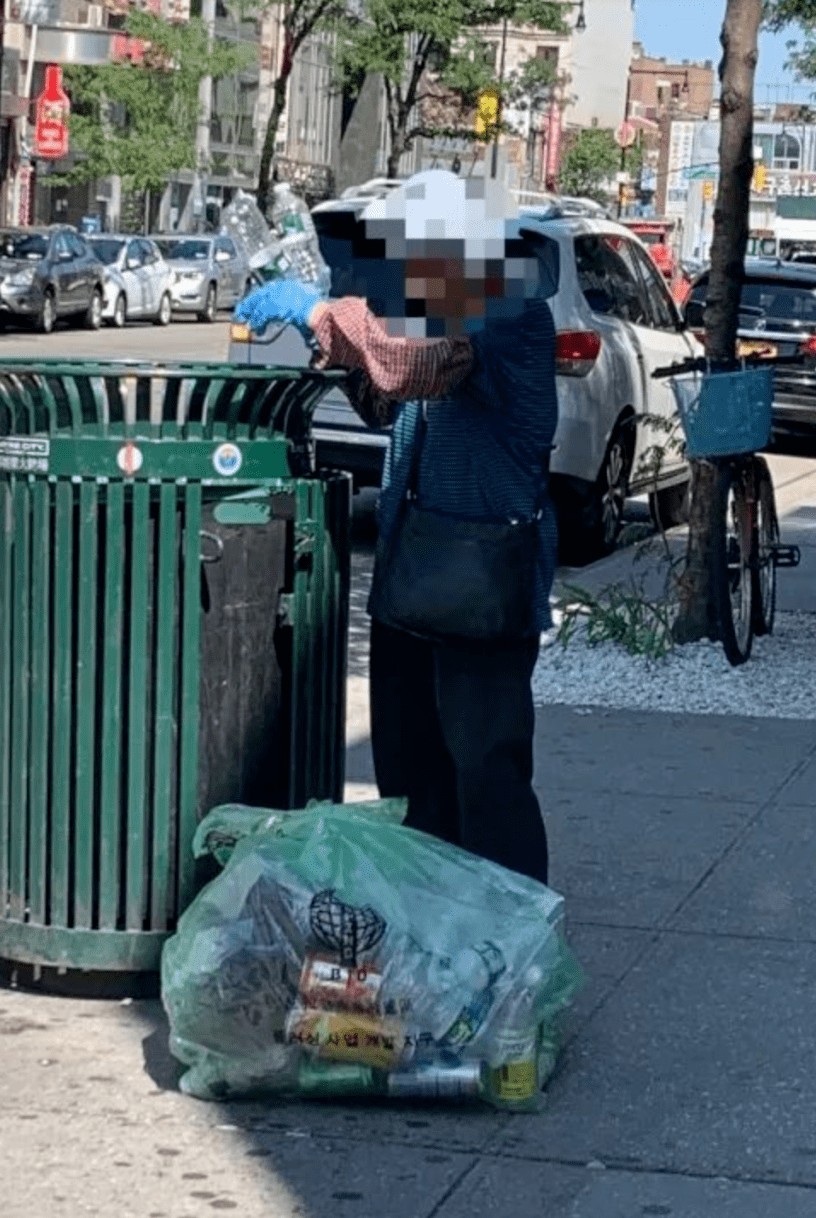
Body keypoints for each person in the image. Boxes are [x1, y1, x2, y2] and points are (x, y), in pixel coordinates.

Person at [235, 173, 558, 885]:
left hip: (482, 587)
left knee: (486, 775)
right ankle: (426, 930)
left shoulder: (503, 308)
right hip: (415, 581)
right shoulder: (436, 310)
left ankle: (508, 943)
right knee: (412, 782)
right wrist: (330, 340)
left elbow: (417, 363)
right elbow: (390, 395)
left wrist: (323, 311)